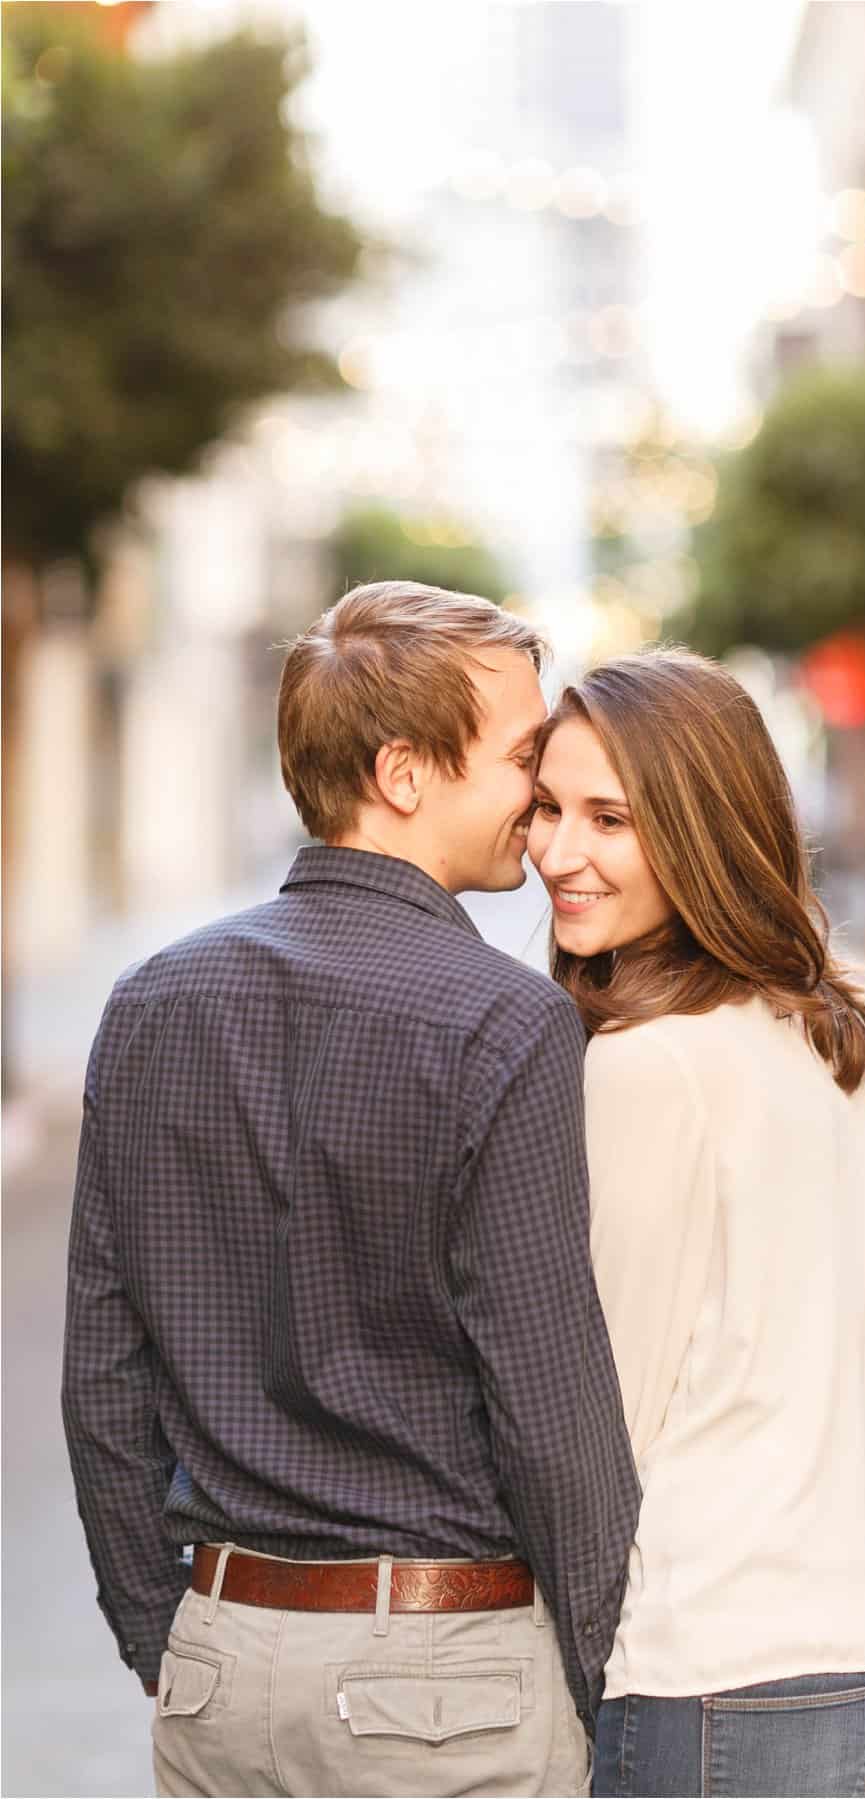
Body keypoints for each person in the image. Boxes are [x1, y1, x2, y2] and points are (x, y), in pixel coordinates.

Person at [61, 581, 640, 1799]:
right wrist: (607, 1688)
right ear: (404, 773)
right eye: (523, 761)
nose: (537, 803)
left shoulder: (151, 1002)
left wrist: (159, 1635)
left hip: (219, 1667)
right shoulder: (509, 1022)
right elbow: (547, 1407)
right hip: (447, 1691)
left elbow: (104, 1375)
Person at [526, 647, 865, 1799]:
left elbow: (601, 1435)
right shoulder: (814, 1025)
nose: (557, 851)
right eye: (546, 806)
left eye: (610, 817)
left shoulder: (646, 1067)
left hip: (739, 1699)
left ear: (701, 830)